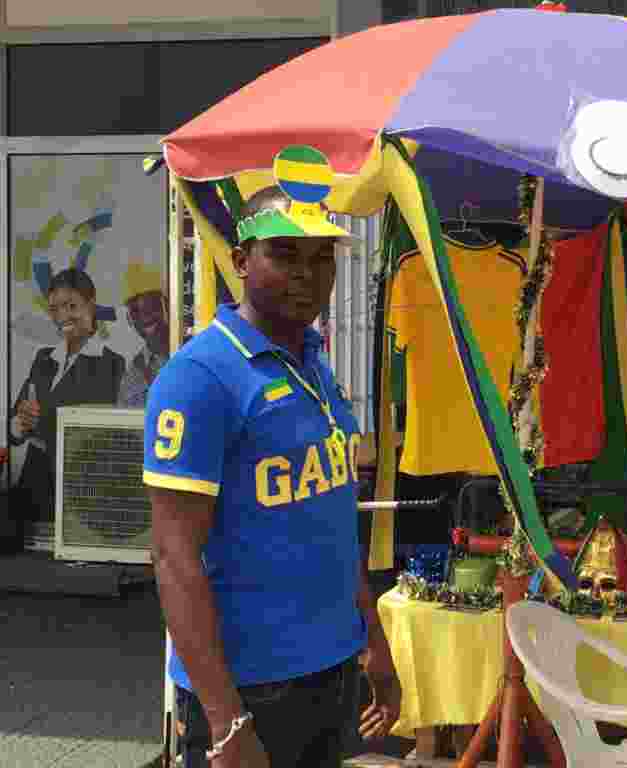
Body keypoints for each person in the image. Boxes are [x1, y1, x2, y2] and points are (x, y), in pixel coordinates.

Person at [144, 186, 400, 768]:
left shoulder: (314, 364)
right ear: (240, 260)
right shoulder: (199, 377)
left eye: (321, 256)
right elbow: (173, 557)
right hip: (248, 690)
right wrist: (225, 721)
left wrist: (374, 643)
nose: (307, 274)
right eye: (284, 254)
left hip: (332, 670)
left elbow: (334, 523)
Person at [9, 268, 125, 531]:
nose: (62, 316)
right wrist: (20, 423)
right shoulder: (43, 358)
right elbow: (13, 427)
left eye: (71, 306)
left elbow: (96, 434)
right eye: (54, 309)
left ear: (91, 305)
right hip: (32, 489)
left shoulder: (111, 364)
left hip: (77, 492)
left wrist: (39, 425)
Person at [117, 262, 170, 407]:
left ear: (167, 306)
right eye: (136, 311)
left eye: (151, 305)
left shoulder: (190, 356)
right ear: (130, 320)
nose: (145, 317)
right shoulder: (133, 373)